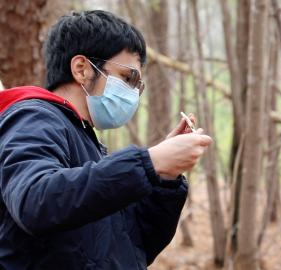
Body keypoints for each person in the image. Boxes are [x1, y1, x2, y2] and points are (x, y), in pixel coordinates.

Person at [0, 10, 212, 269]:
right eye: (127, 78)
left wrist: (164, 177)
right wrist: (150, 161)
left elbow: (133, 247)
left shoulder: (86, 140)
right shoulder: (33, 117)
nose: (133, 92)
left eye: (138, 85)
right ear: (82, 69)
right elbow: (34, 200)